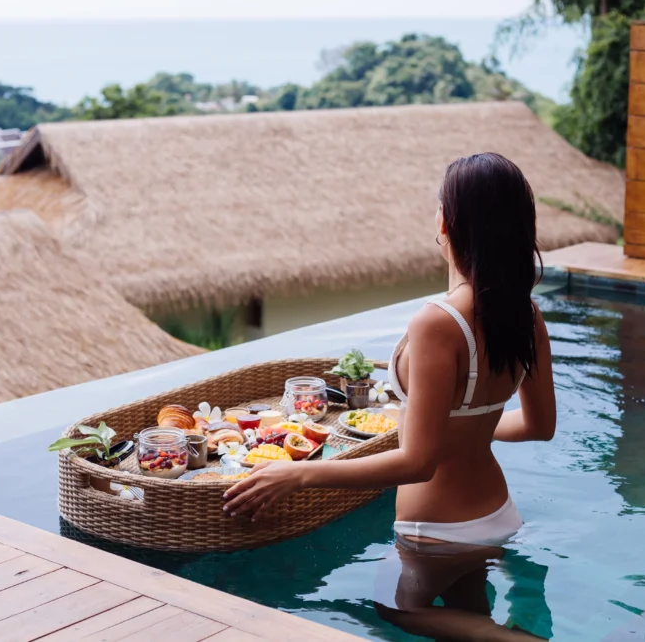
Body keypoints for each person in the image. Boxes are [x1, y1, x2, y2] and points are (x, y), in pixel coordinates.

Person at [224, 152, 558, 638]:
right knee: (468, 617)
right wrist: (459, 429)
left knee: (395, 611)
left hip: (437, 529)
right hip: (496, 512)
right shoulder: (526, 314)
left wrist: (297, 475)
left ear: (446, 221)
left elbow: (417, 463)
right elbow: (537, 426)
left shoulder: (439, 322)